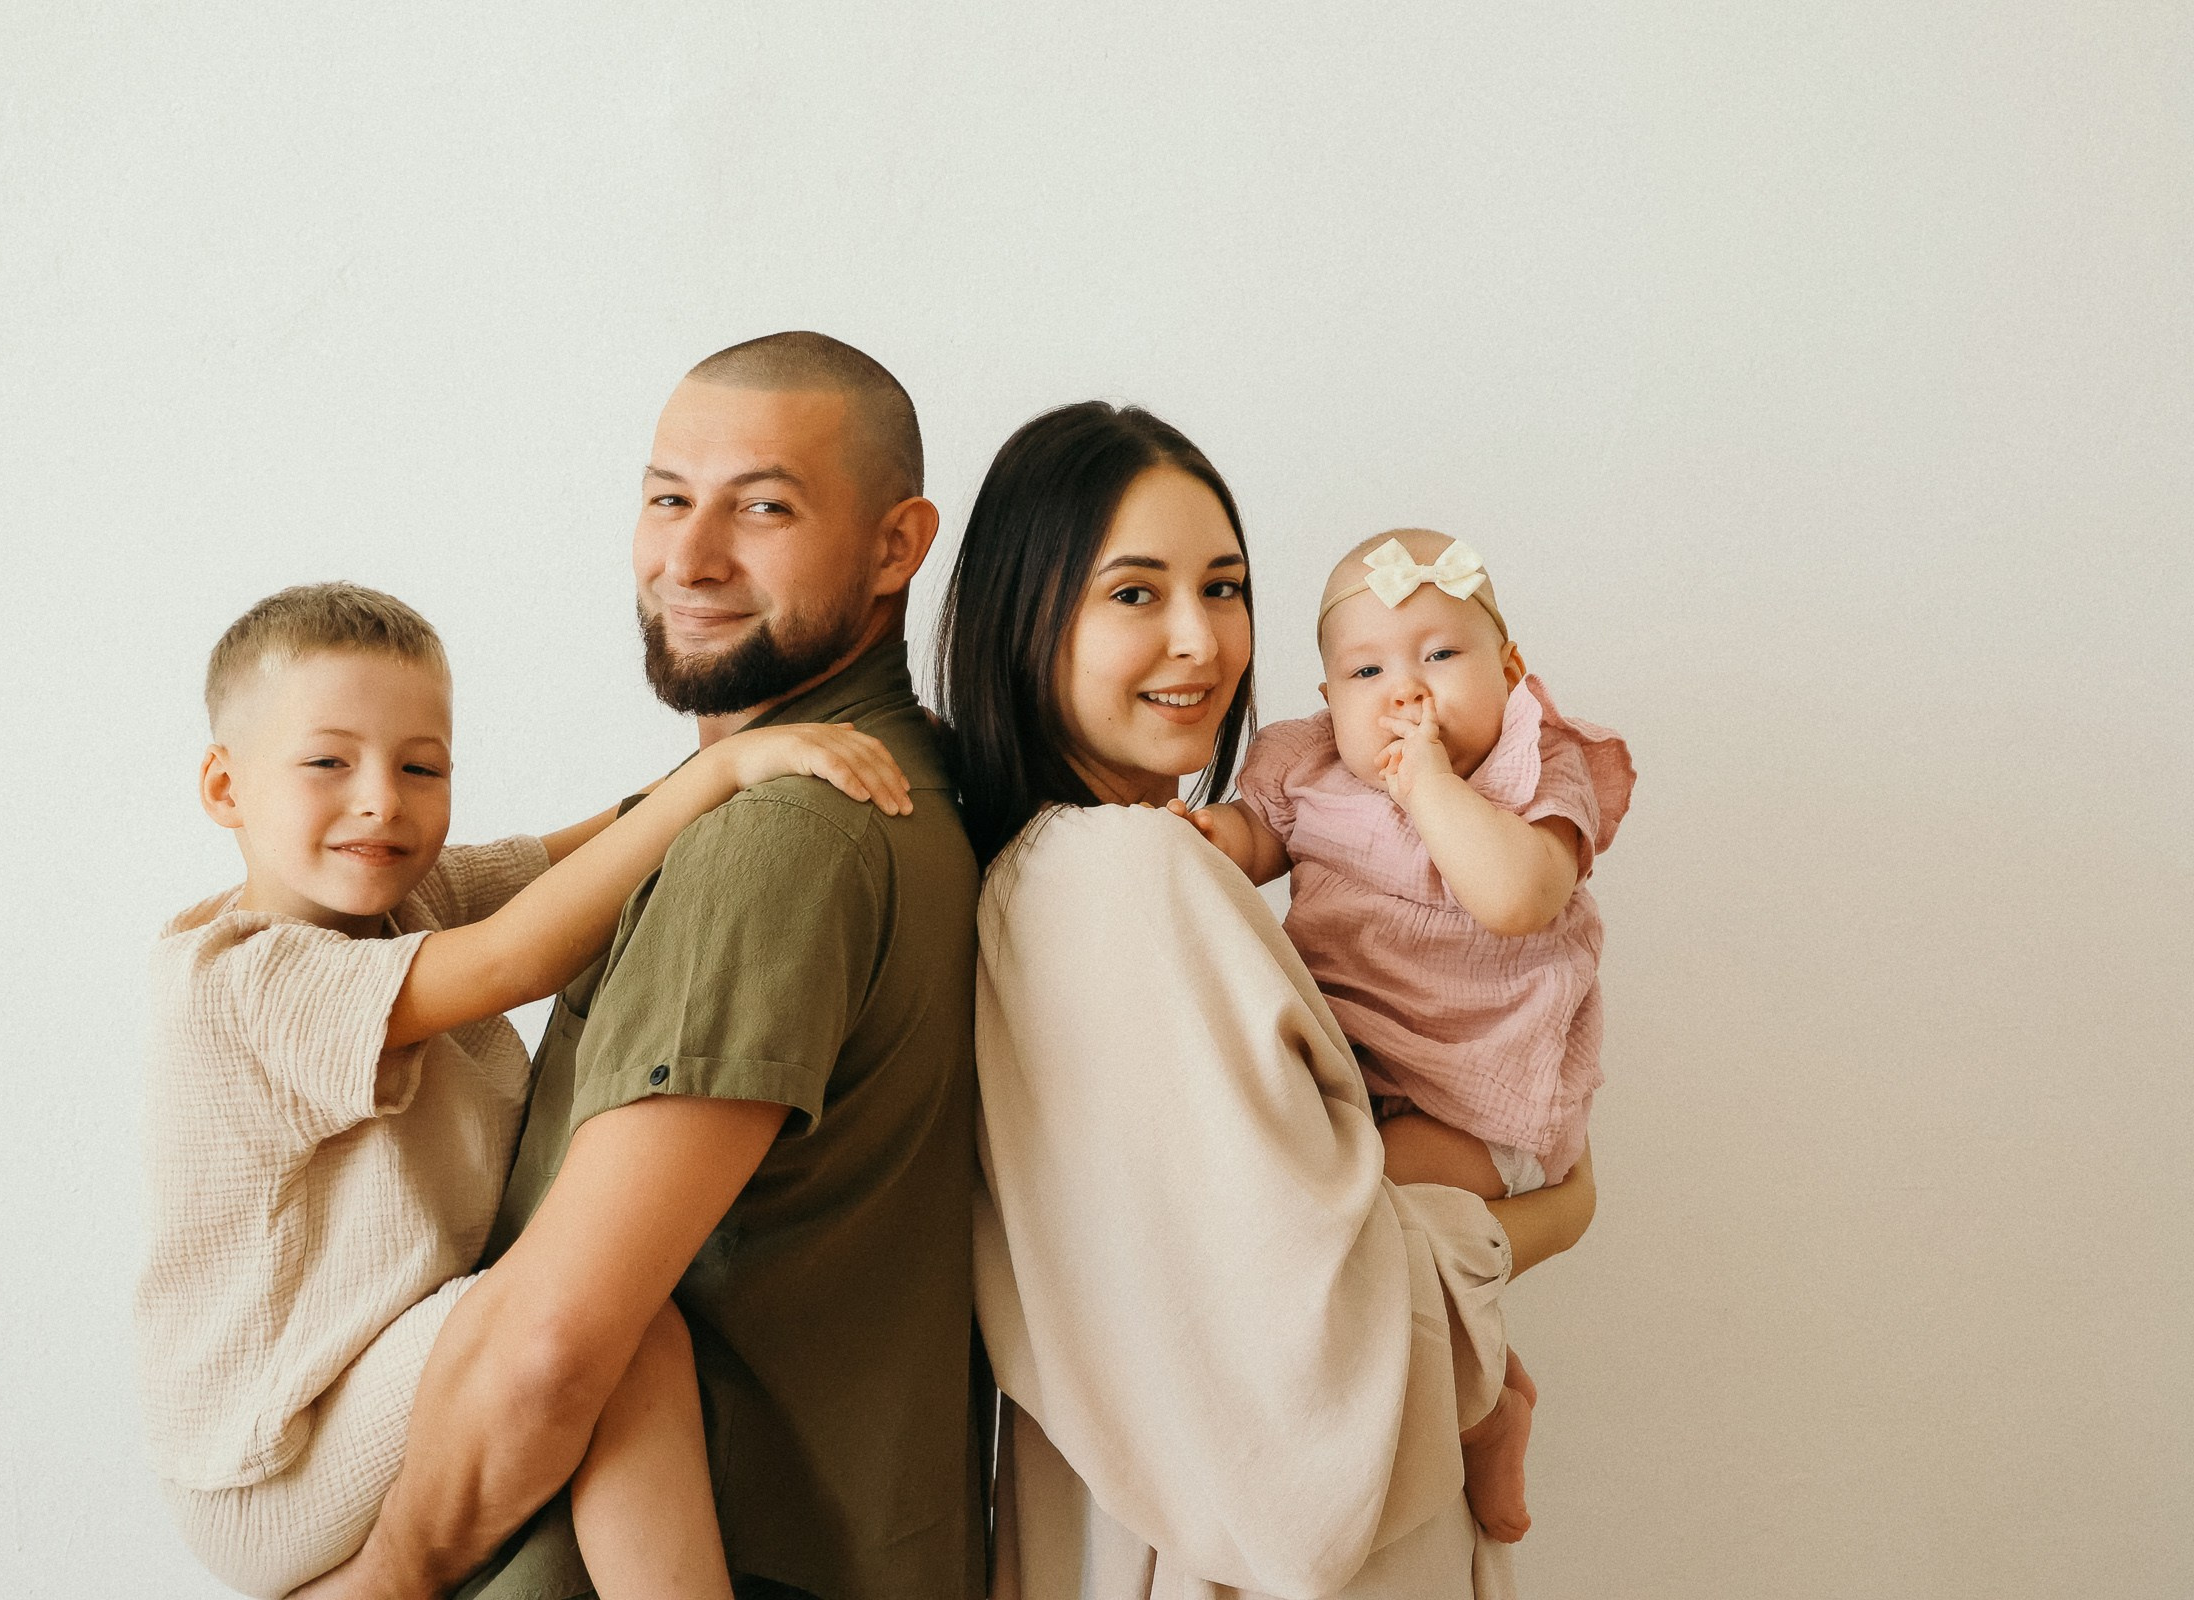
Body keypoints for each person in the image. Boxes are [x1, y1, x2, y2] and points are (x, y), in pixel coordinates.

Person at [301, 333, 988, 1600]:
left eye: (763, 507)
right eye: (667, 497)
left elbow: (558, 1342)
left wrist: (384, 1575)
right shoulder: (906, 781)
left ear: (898, 546)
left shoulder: (788, 834)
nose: (689, 557)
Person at [939, 401, 1598, 1600]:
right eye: (1134, 594)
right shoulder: (1126, 871)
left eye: (1225, 586)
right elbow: (1306, 1340)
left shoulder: (1056, 871)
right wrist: (1546, 1216)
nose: (1200, 639)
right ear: (1023, 616)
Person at [138, 581, 912, 1599]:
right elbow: (518, 955)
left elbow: (572, 854)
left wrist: (789, 738)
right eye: (328, 763)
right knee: (611, 1324)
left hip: (375, 1377)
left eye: (423, 767)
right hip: (273, 1455)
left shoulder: (408, 900)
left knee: (607, 1316)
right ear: (226, 788)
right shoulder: (248, 984)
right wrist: (724, 771)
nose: (381, 798)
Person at [1178, 529, 1636, 1542]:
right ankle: (1482, 1390)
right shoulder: (1304, 767)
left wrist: (1428, 784)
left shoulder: (1534, 772)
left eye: (1440, 656)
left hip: (1481, 1095)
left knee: (1368, 1234)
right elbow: (1263, 839)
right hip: (1354, 1070)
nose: (1406, 691)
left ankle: (1482, 1413)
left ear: (1511, 672)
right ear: (1328, 696)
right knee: (1345, 1228)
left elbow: (1519, 898)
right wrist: (1218, 844)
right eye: (1369, 669)